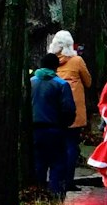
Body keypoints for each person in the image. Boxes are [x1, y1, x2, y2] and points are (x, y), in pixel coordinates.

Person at [32, 53, 80, 196]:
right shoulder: (61, 84)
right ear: (56, 67)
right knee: (57, 166)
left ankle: (38, 198)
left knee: (38, 166)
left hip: (34, 131)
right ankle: (55, 201)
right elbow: (69, 109)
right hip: (55, 130)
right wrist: (65, 125)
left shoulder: (31, 82)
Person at [51, 29, 94, 162]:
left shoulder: (50, 62)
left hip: (55, 110)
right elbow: (88, 82)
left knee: (57, 145)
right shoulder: (77, 61)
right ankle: (68, 180)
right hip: (74, 110)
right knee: (71, 143)